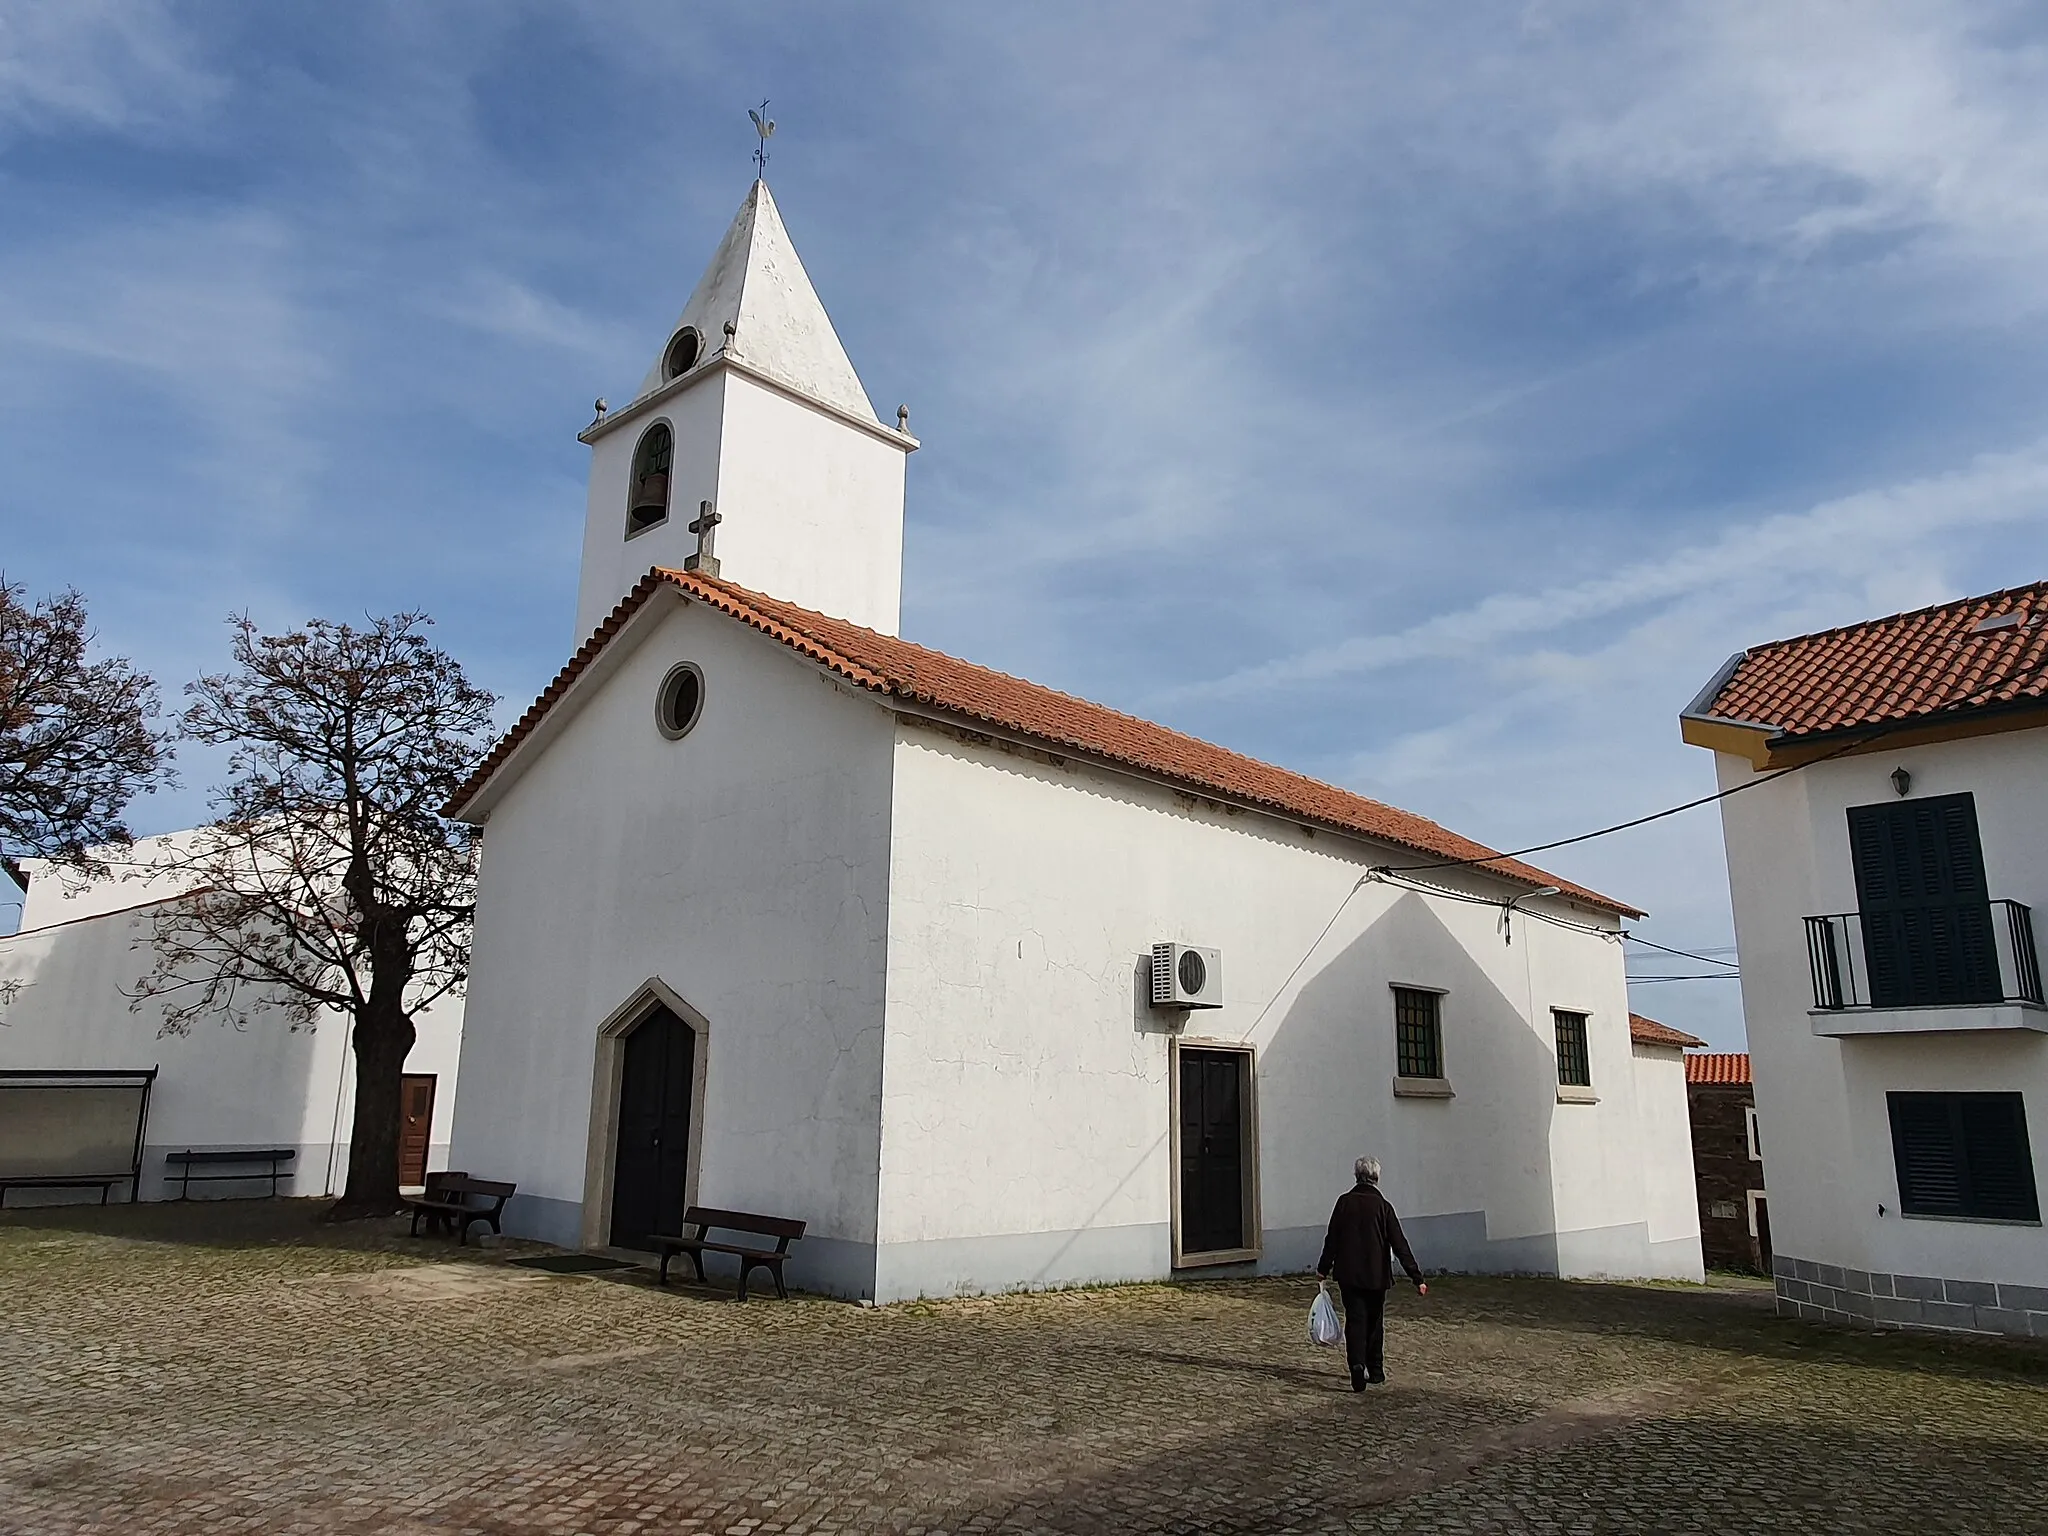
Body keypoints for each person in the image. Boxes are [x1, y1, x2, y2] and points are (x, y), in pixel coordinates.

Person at [1316, 1155, 1427, 1390]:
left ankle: (1357, 1365)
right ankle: (1375, 1370)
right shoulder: (1383, 1207)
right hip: (1377, 1276)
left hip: (1349, 1274)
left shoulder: (1344, 1202)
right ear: (1376, 1178)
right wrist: (1417, 1277)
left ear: (1357, 1176)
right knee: (1375, 1321)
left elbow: (1332, 1238)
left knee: (1355, 1320)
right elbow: (1400, 1243)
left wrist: (1323, 1268)